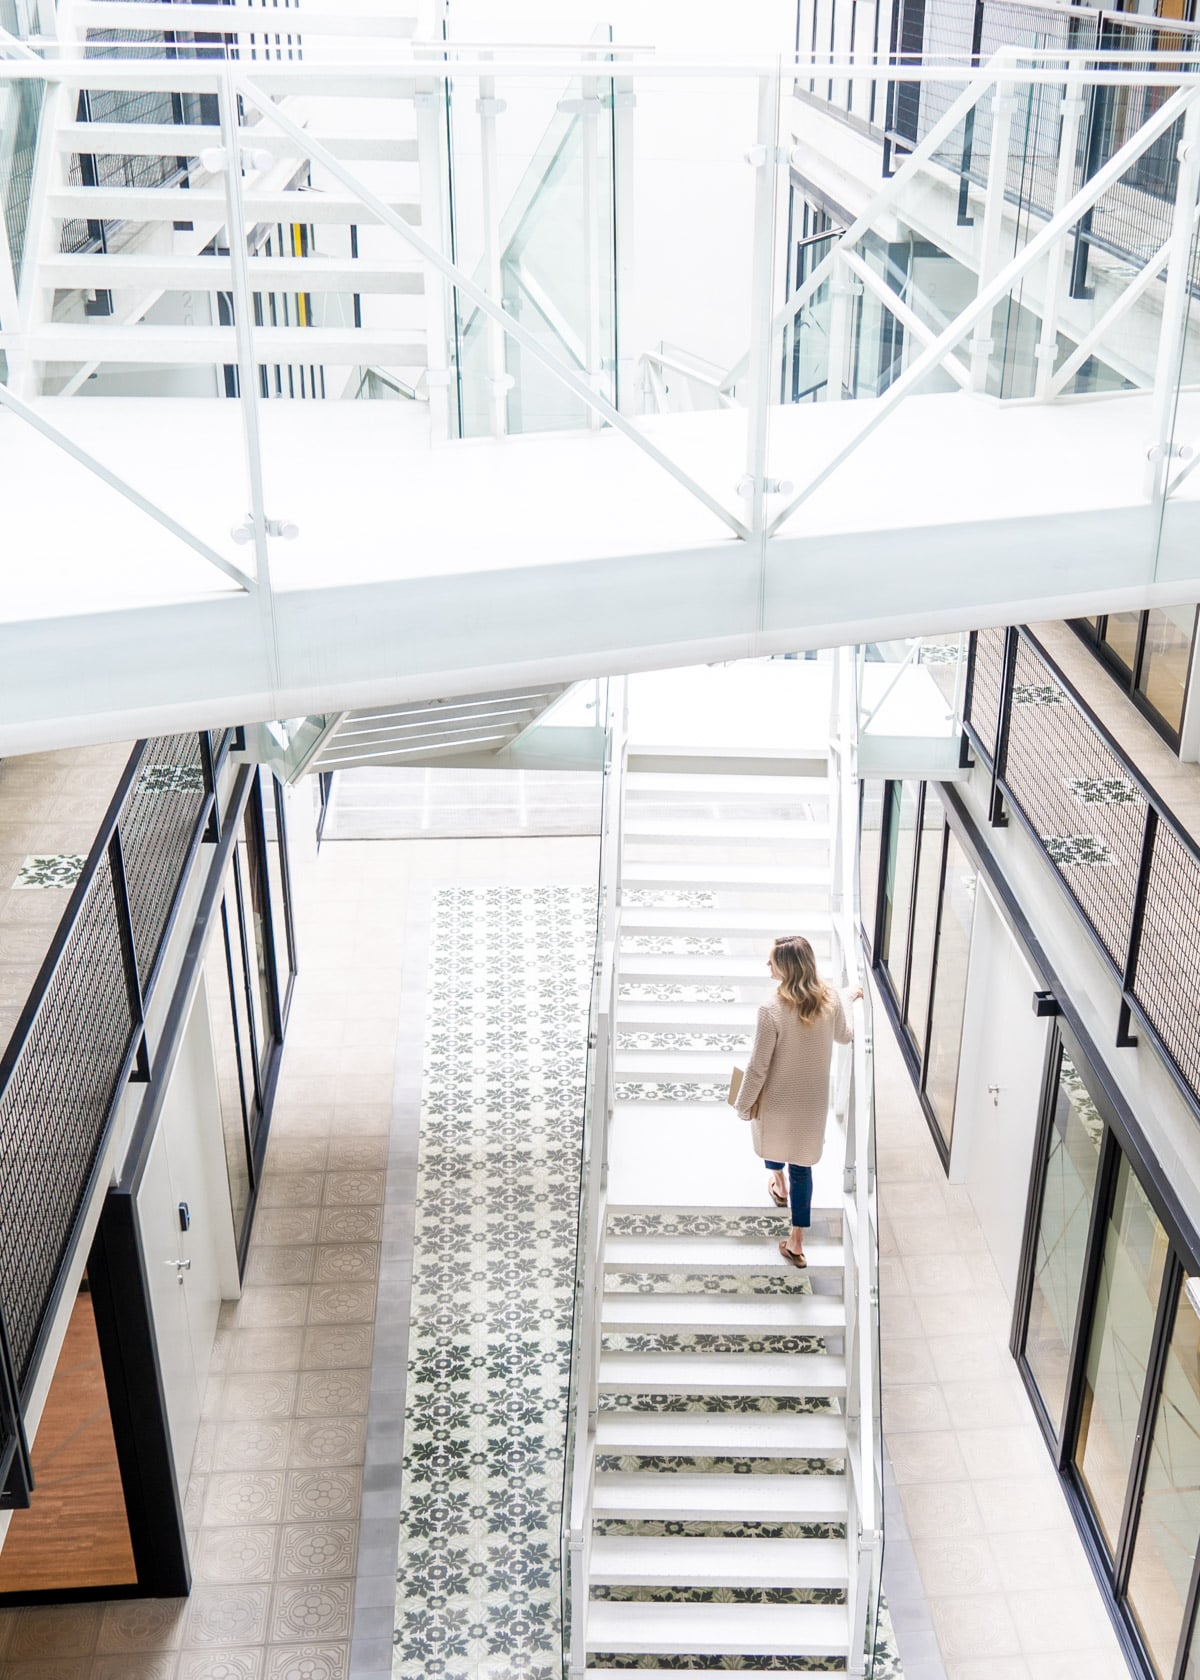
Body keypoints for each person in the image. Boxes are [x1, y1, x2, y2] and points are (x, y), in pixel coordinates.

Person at [736, 935, 862, 1269]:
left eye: (772, 960)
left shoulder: (770, 1010)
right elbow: (845, 1035)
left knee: (773, 1143)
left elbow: (758, 1066)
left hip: (777, 1100)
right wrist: (848, 995)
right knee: (802, 1167)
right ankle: (796, 1241)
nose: (767, 964)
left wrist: (743, 1103)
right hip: (811, 1105)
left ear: (787, 968)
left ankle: (777, 1184)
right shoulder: (830, 999)